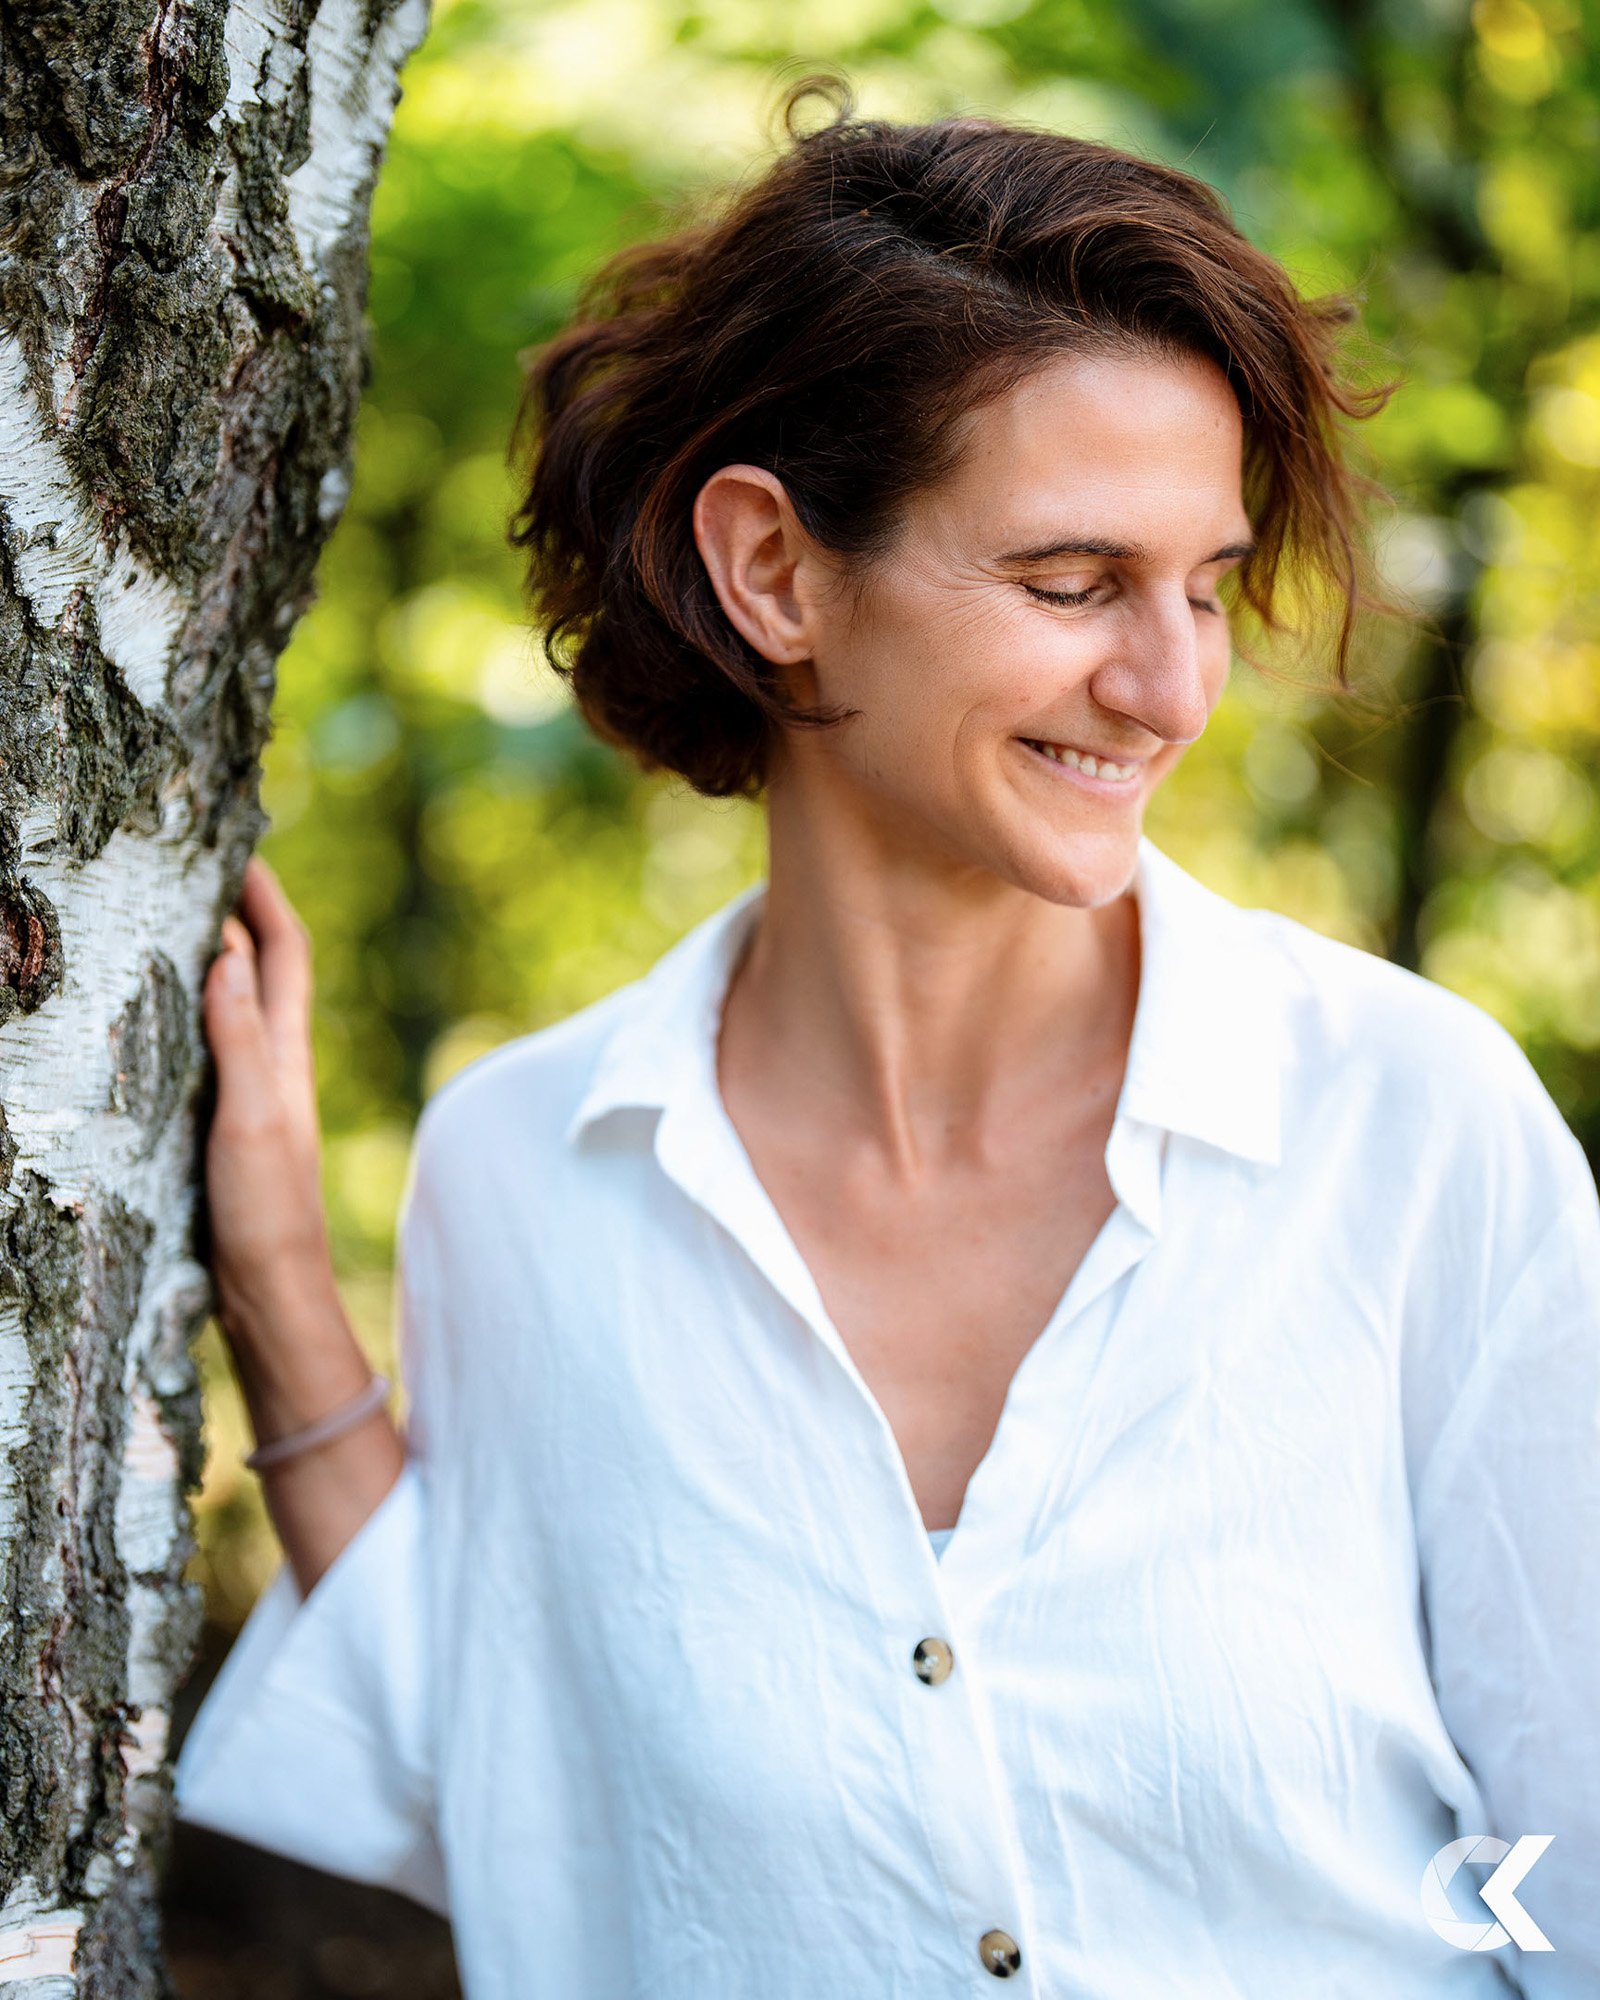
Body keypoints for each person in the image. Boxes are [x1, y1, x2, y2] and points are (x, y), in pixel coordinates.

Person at [172, 78, 1600, 1999]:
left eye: (1201, 585)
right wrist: (273, 1275)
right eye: (1072, 581)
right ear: (775, 572)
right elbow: (538, 1799)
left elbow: (1571, 1858)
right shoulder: (525, 1175)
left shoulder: (1409, 1127)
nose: (1172, 687)